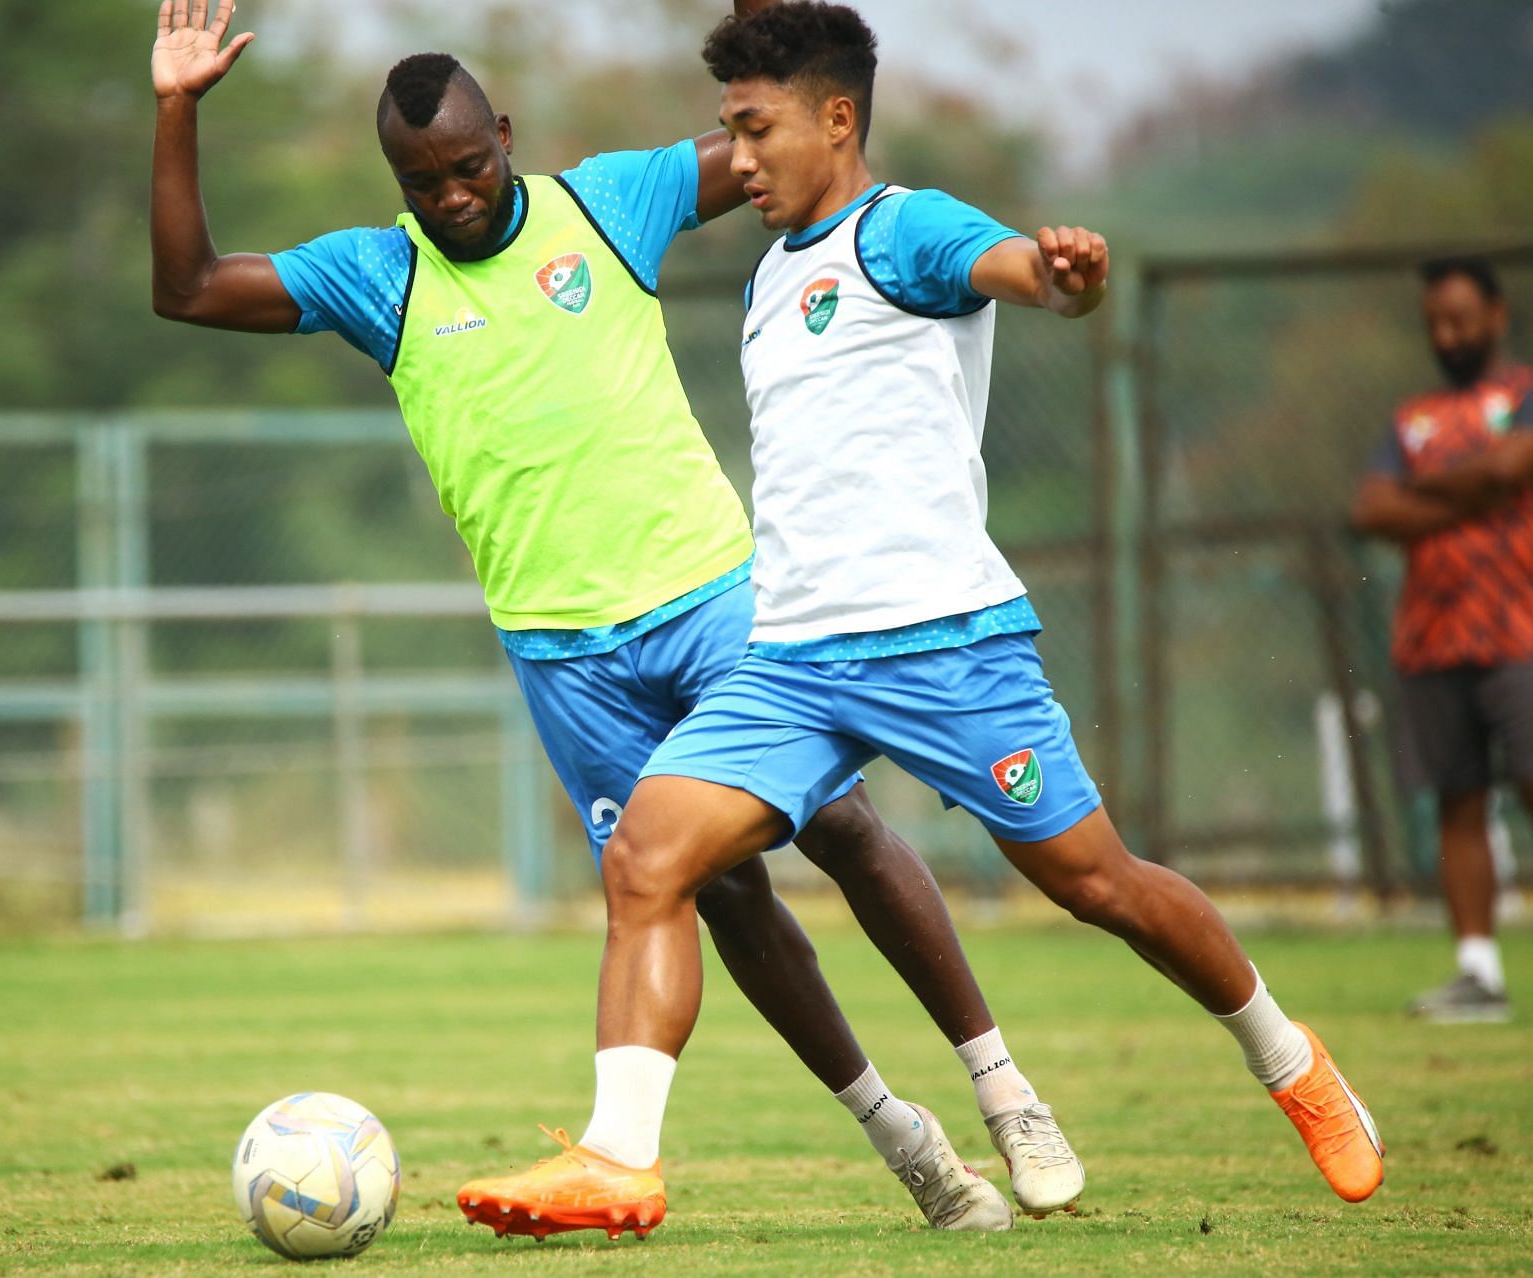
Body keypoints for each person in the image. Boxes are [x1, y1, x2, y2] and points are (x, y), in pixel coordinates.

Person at [148, 0, 1081, 1235]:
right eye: (426, 183)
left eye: (473, 167)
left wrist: (765, 27)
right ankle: (901, 1137)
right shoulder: (379, 278)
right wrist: (175, 112)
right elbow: (190, 288)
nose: (456, 196)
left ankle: (1002, 1087)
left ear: (509, 139)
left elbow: (772, 130)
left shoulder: (611, 203)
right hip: (565, 661)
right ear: (397, 184)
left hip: (715, 599)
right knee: (720, 896)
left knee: (842, 828)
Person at [459, 1, 1386, 1236]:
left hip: (942, 647)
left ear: (837, 120)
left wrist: (1062, 278)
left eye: (755, 128)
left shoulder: (905, 230)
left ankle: (1288, 1058)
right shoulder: (768, 274)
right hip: (789, 661)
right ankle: (618, 1159)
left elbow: (1017, 270)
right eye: (730, 130)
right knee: (648, 859)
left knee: (1097, 882)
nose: (735, 158)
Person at [1351, 256, 1532, 1023]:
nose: (1446, 333)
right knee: (1459, 802)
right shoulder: (1411, 416)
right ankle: (1477, 973)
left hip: (1521, 629)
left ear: (1496, 315)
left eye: (1460, 317)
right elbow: (1371, 509)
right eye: (1434, 320)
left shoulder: (1521, 395)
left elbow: (1513, 465)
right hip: (1432, 635)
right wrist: (1476, 485)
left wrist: (1424, 489)